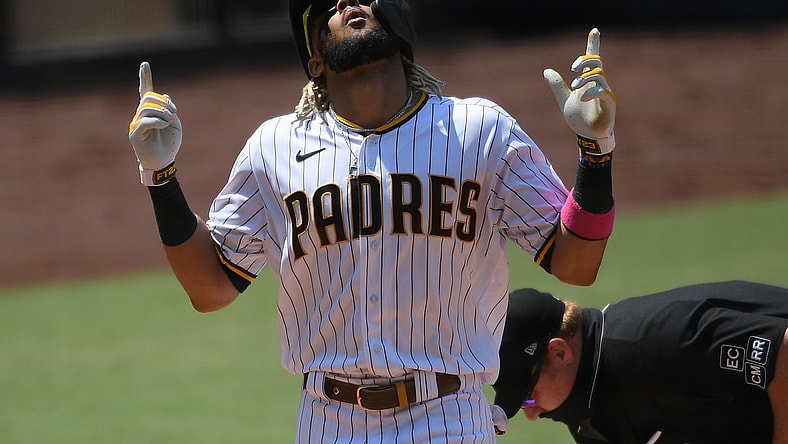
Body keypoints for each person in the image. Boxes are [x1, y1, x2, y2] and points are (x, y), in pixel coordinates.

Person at [127, 0, 618, 441]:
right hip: (327, 420)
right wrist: (160, 177)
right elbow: (210, 288)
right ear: (315, 61)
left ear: (399, 29)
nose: (347, 1)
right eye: (329, 5)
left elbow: (576, 264)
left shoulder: (479, 130)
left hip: (449, 415)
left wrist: (595, 153)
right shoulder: (273, 149)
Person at [491, 281, 788, 443]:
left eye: (528, 397)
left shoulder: (654, 342)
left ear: (560, 353)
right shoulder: (586, 410)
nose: (532, 414)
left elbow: (783, 350)